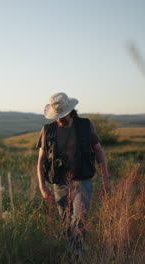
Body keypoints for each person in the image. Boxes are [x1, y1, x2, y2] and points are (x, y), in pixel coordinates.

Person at [36, 92, 110, 251]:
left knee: (80, 218)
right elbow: (41, 160)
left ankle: (78, 253)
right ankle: (71, 252)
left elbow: (99, 152)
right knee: (66, 221)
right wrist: (42, 187)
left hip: (82, 180)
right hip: (60, 183)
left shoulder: (85, 125)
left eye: (62, 115)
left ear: (69, 111)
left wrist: (106, 181)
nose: (59, 119)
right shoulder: (48, 130)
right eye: (56, 116)